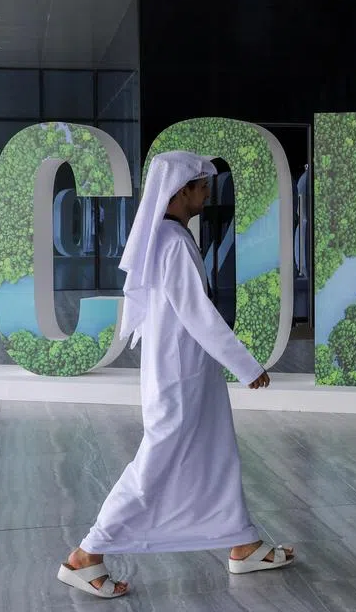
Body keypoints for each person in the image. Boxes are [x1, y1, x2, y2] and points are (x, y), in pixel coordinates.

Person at [57, 151, 294, 599]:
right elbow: (198, 313)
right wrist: (247, 366)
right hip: (180, 376)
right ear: (180, 191)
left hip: (187, 370)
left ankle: (243, 542)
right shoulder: (172, 242)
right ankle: (86, 554)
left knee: (217, 452)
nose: (207, 194)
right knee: (155, 464)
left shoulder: (167, 237)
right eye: (202, 187)